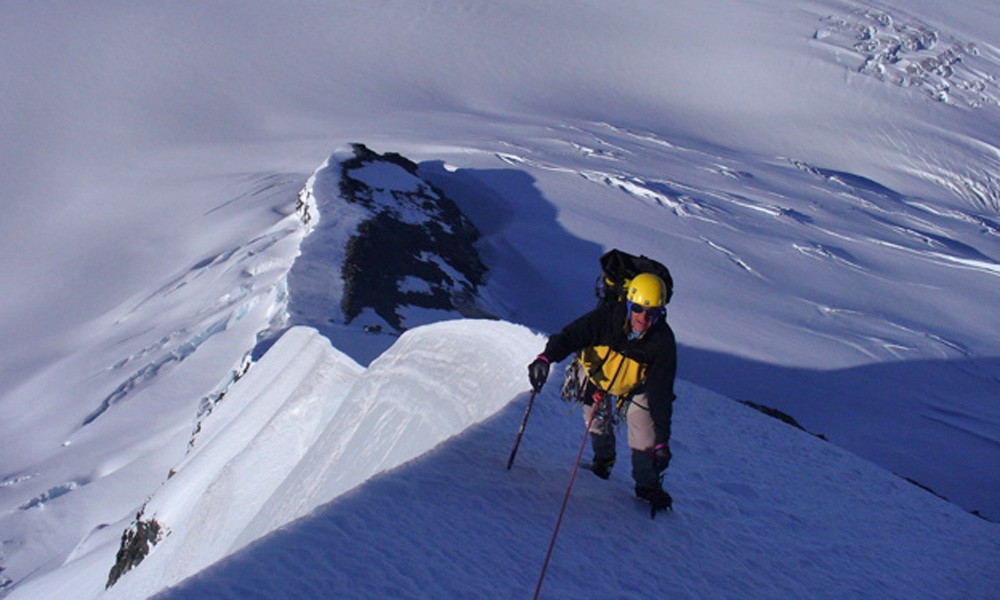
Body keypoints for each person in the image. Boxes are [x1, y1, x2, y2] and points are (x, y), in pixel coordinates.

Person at [528, 272, 676, 513]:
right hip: (597, 373)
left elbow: (661, 392)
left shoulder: (662, 342)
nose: (643, 317)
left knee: (644, 436)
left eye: (652, 313)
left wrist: (661, 441)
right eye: (637, 309)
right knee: (595, 419)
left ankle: (647, 486)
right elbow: (571, 336)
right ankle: (603, 461)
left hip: (634, 383)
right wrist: (545, 358)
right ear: (628, 304)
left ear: (662, 313)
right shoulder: (608, 318)